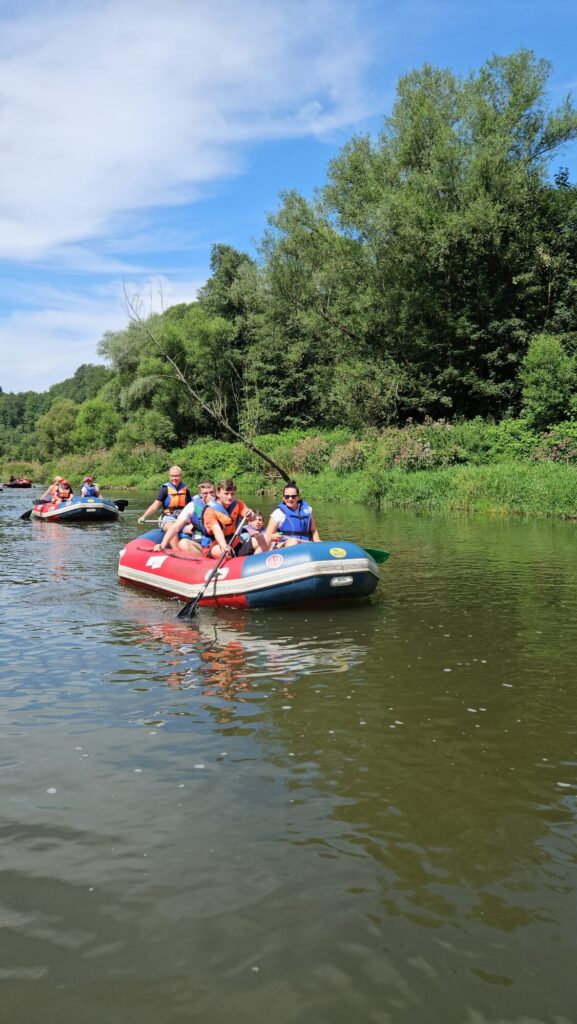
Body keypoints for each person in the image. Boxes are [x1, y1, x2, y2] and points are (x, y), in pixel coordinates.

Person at [153, 479, 217, 556]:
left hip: (217, 542)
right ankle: (205, 561)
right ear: (200, 493)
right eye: (205, 493)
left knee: (217, 550)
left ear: (216, 492)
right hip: (200, 540)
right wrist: (162, 545)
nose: (209, 496)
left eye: (211, 493)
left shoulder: (223, 504)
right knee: (183, 544)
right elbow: (175, 527)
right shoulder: (192, 506)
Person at [264, 481, 320, 548]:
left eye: (293, 496)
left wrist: (317, 541)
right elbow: (267, 535)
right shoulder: (278, 513)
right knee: (293, 541)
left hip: (305, 545)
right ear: (283, 498)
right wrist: (273, 536)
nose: (290, 499)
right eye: (287, 496)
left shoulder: (307, 510)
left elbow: (313, 530)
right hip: (283, 546)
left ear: (298, 497)